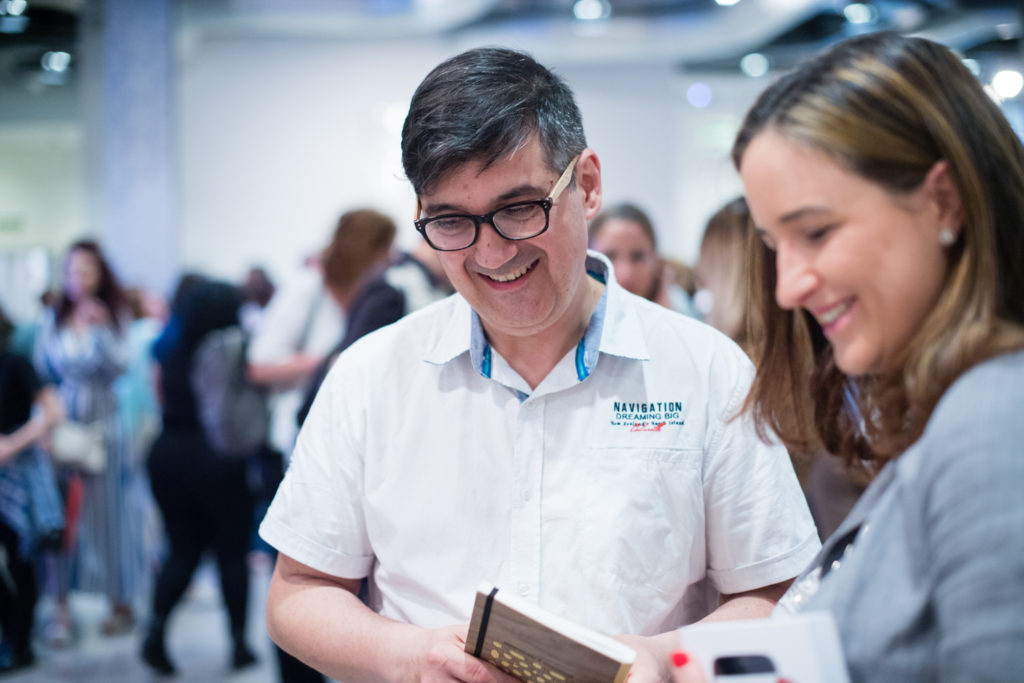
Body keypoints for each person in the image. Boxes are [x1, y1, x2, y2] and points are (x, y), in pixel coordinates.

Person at [259, 46, 819, 682]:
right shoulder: (371, 376)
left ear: (587, 185)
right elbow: (298, 591)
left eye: (519, 208)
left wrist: (661, 661)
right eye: (451, 221)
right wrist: (408, 657)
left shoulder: (706, 371)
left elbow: (778, 592)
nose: (493, 252)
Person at [670, 31, 1024, 683]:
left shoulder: (993, 419)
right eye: (776, 244)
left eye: (817, 232)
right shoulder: (955, 412)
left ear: (943, 202)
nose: (788, 288)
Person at [141, 278, 259, 676]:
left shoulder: (166, 346)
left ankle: (155, 630)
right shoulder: (232, 349)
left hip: (168, 452)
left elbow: (158, 395)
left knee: (181, 551)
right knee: (232, 554)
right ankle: (239, 643)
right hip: (219, 457)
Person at [33, 239, 140, 643]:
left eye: (86, 270)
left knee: (111, 517)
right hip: (64, 427)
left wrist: (100, 328)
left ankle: (120, 601)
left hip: (105, 429)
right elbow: (43, 370)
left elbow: (123, 366)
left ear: (99, 274)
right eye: (72, 271)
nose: (78, 279)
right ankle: (60, 607)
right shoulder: (54, 318)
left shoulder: (112, 314)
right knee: (61, 517)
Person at [0, 305, 64, 674]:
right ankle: (10, 633)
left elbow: (53, 411)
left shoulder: (15, 363)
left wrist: (13, 443)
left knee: (21, 560)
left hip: (16, 476)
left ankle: (20, 642)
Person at [589, 203, 699, 317]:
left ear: (655, 261)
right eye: (609, 257)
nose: (626, 273)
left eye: (638, 257)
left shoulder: (679, 307)